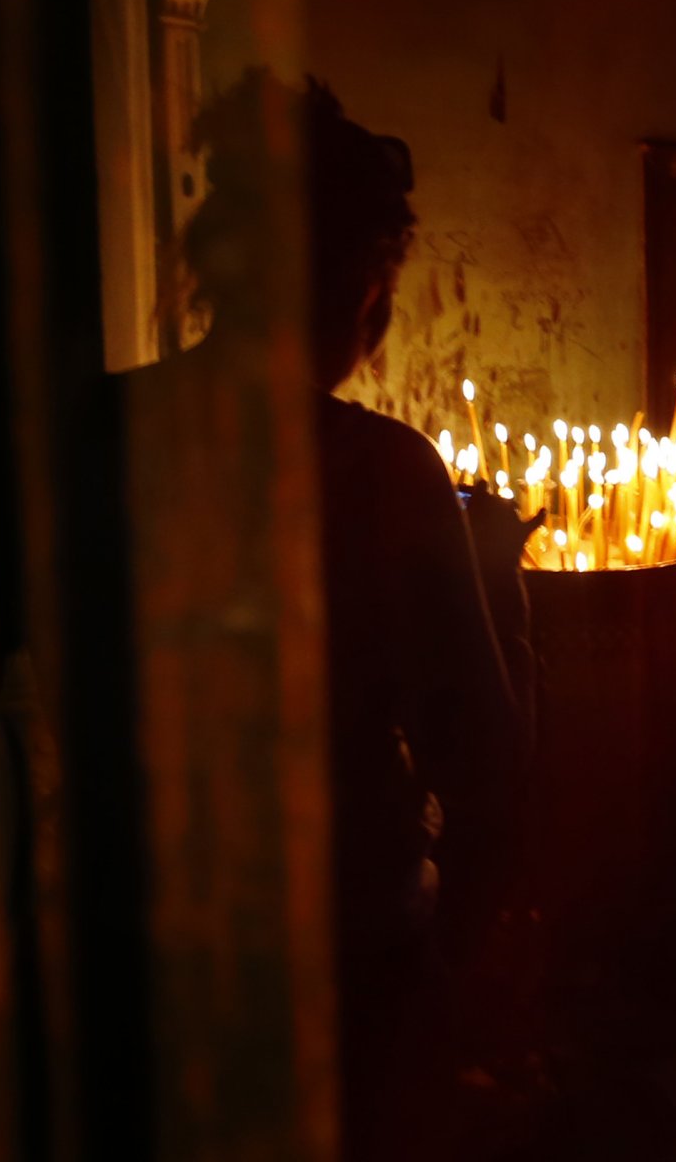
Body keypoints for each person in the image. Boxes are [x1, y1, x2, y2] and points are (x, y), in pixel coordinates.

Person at [177, 68, 534, 1158]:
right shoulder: (381, 470)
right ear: (357, 290)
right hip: (340, 932)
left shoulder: (98, 428)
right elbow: (483, 753)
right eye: (377, 290)